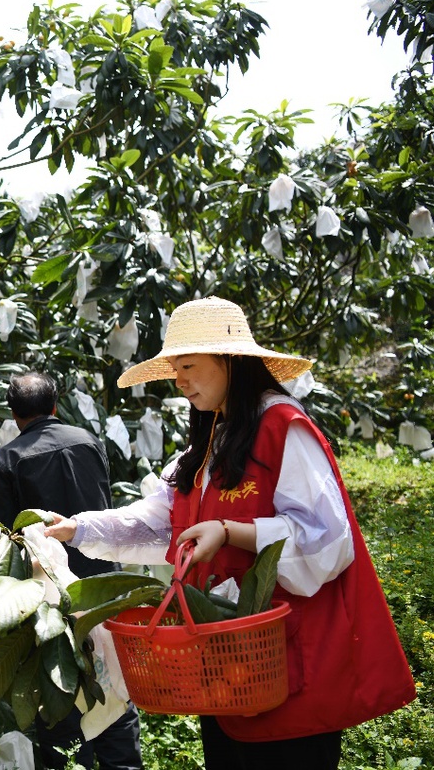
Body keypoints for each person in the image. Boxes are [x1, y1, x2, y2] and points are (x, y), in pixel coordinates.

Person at [43, 297, 416, 770]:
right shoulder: (210, 440)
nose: (179, 380)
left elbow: (327, 541)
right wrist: (76, 528)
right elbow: (162, 521)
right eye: (175, 368)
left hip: (286, 667)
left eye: (189, 365)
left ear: (231, 362)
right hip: (224, 666)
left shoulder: (284, 427)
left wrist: (231, 531)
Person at [0, 371, 143, 770]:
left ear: (13, 414)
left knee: (59, 696)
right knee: (115, 690)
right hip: (106, 587)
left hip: (49, 599)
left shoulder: (8, 460)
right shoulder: (89, 442)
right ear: (56, 404)